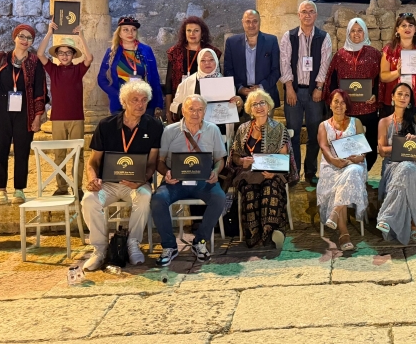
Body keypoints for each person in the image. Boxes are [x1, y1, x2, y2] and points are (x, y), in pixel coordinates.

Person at [81, 80, 164, 271]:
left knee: (144, 196)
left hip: (136, 183)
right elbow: (93, 162)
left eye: (144, 100)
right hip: (108, 184)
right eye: (135, 100)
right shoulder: (106, 125)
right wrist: (92, 179)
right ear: (124, 102)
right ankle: (100, 249)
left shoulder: (154, 126)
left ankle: (133, 244)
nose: (140, 104)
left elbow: (152, 163)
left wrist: (142, 180)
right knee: (89, 200)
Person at [151, 95, 227, 267]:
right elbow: (160, 161)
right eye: (191, 109)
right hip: (175, 182)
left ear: (205, 112)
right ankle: (169, 246)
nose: (195, 113)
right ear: (183, 111)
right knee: (158, 199)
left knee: (219, 198)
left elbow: (220, 160)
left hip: (203, 181)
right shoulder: (169, 131)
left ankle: (200, 242)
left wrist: (216, 171)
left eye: (200, 110)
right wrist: (166, 173)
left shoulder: (213, 130)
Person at [0, 24, 47, 205]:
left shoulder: (35, 62)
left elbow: (40, 91)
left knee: (22, 150)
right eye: (21, 36)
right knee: (0, 148)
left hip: (25, 110)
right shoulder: (1, 58)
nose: (25, 40)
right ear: (14, 37)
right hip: (1, 109)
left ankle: (19, 189)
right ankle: (1, 189)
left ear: (32, 42)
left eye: (29, 38)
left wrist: (37, 117)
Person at [227, 89, 299, 248]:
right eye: (254, 104)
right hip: (248, 173)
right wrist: (242, 161)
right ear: (249, 109)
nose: (259, 107)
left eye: (262, 103)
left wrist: (274, 172)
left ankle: (271, 232)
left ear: (269, 106)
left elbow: (284, 157)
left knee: (270, 188)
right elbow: (234, 155)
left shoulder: (279, 128)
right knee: (250, 190)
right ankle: (254, 234)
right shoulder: (243, 129)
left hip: (272, 172)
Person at [36, 20, 93, 196]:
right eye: (61, 53)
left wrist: (81, 36)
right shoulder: (53, 70)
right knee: (59, 153)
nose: (64, 56)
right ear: (57, 55)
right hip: (58, 118)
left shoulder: (78, 70)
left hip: (76, 117)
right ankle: (61, 187)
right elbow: (39, 54)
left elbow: (89, 58)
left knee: (78, 153)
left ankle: (77, 187)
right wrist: (49, 33)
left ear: (73, 55)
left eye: (68, 53)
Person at [279, 1, 332, 185]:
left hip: (314, 92)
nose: (307, 14)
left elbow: (325, 64)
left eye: (311, 11)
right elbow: (284, 63)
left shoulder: (324, 37)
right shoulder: (289, 36)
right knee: (292, 133)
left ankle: (310, 172)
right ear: (299, 15)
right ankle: (294, 173)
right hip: (294, 91)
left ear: (315, 15)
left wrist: (319, 88)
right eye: (304, 11)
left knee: (314, 134)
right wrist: (289, 88)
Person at [323, 18, 381, 170]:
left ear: (365, 32)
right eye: (353, 31)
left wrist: (375, 95)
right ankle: (348, 171)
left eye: (360, 30)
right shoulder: (340, 55)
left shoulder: (374, 54)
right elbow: (332, 81)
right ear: (348, 33)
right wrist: (337, 100)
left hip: (368, 109)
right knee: (346, 146)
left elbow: (380, 79)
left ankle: (364, 172)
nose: (356, 34)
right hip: (346, 110)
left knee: (369, 145)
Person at [375, 83, 416, 244]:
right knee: (405, 171)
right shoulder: (384, 122)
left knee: (407, 168)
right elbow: (382, 151)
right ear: (392, 97)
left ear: (410, 99)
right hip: (392, 166)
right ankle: (413, 225)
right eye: (399, 94)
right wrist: (403, 146)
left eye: (407, 95)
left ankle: (387, 217)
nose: (403, 97)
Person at [317, 90, 368, 251]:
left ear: (347, 105)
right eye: (336, 101)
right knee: (342, 181)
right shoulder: (323, 125)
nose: (339, 105)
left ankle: (336, 215)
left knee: (352, 171)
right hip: (331, 165)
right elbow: (324, 147)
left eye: (343, 102)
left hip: (353, 163)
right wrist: (333, 160)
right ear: (330, 104)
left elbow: (363, 148)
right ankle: (343, 232)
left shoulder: (356, 122)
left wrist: (359, 157)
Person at [97, 16, 163, 117]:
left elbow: (154, 77)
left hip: (143, 103)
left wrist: (158, 104)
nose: (130, 33)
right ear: (119, 33)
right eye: (126, 30)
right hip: (121, 103)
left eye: (133, 30)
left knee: (143, 127)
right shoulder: (111, 52)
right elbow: (101, 79)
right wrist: (117, 94)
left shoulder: (146, 50)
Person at [164, 16, 221, 123]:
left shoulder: (211, 52)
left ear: (202, 33)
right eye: (189, 30)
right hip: (181, 103)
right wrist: (168, 110)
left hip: (207, 107)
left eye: (196, 31)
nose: (192, 34)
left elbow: (218, 79)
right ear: (184, 33)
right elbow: (169, 82)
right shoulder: (174, 52)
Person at [379, 13, 416, 120]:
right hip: (396, 101)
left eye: (410, 25)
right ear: (397, 29)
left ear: (415, 29)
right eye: (403, 25)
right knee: (396, 130)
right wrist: (398, 73)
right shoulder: (390, 49)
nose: (407, 28)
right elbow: (383, 76)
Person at [223, 9, 281, 110]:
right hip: (240, 98)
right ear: (242, 22)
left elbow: (276, 70)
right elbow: (228, 70)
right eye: (248, 21)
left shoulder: (271, 41)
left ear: (260, 22)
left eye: (255, 21)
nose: (251, 25)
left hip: (265, 96)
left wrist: (261, 87)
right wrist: (240, 88)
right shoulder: (232, 42)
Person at [169, 48, 243, 122]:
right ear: (198, 62)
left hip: (221, 126)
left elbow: (234, 111)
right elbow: (174, 106)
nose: (207, 63)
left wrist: (238, 104)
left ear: (216, 61)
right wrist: (189, 108)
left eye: (211, 60)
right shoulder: (187, 83)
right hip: (195, 125)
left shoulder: (226, 83)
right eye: (203, 60)